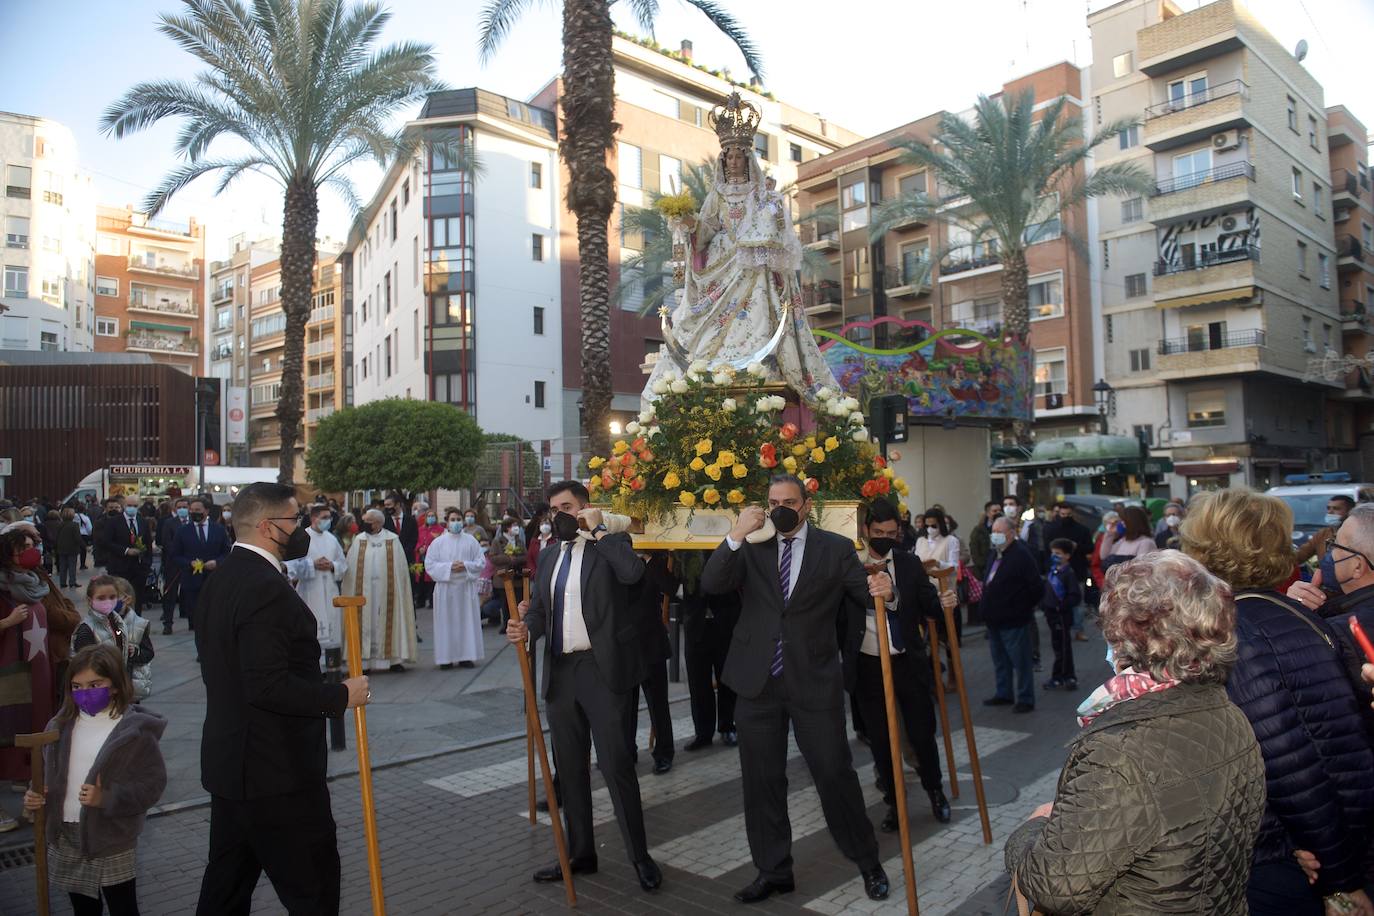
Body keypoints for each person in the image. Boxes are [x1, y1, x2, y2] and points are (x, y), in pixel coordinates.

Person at [1005, 551, 1265, 914]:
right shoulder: (1228, 711)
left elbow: (1055, 886)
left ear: (1127, 631)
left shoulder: (1119, 752)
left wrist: (1032, 830)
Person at [1182, 488, 1374, 916]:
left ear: (1204, 547)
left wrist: (1339, 881)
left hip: (1284, 859)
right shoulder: (1287, 611)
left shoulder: (1240, 636)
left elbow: (1295, 767)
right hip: (1318, 846)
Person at [700, 475, 891, 904]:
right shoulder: (752, 545)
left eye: (789, 501)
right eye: (773, 502)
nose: (780, 508)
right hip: (757, 682)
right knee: (762, 781)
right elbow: (711, 584)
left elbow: (866, 593)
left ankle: (867, 861)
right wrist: (735, 534)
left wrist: (887, 589)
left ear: (806, 504)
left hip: (813, 681)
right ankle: (773, 870)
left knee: (833, 773)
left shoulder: (835, 548)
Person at [194, 482, 371, 916]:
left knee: (224, 895)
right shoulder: (263, 587)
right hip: (278, 774)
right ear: (268, 526)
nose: (304, 528)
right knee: (313, 892)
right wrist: (339, 696)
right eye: (296, 520)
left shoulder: (221, 581)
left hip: (233, 767)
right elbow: (266, 684)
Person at [504, 481, 663, 893]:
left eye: (568, 507)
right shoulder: (550, 556)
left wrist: (598, 531)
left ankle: (640, 857)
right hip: (561, 672)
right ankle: (580, 853)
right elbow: (540, 610)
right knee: (570, 771)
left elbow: (633, 574)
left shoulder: (610, 545)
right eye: (554, 508)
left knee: (616, 767)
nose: (559, 515)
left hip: (603, 670)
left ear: (586, 508)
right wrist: (526, 629)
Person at [642, 92, 840, 402]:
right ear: (723, 160)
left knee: (761, 302)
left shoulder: (764, 197)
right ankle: (714, 363)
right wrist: (689, 223)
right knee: (704, 325)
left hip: (753, 270)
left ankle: (759, 364)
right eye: (729, 156)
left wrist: (768, 222)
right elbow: (706, 231)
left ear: (748, 159)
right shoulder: (717, 197)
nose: (734, 161)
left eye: (739, 155)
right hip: (720, 271)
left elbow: (777, 235)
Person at [23, 643, 167, 916]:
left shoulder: (134, 732)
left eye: (94, 684)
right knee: (84, 909)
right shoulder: (58, 727)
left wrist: (108, 798)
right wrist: (36, 795)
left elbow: (152, 785)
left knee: (123, 907)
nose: (85, 693)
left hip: (111, 835)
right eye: (77, 687)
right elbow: (47, 772)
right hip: (66, 834)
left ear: (114, 685)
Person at [851, 498, 952, 831]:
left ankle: (935, 790)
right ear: (866, 530)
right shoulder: (849, 565)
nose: (884, 537)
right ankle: (895, 804)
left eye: (892, 533)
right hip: (868, 667)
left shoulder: (909, 564)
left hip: (907, 661)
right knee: (882, 741)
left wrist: (946, 603)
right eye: (878, 531)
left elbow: (930, 607)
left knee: (922, 734)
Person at [0, 527, 59, 801]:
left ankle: (37, 769)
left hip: (40, 667)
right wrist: (7, 623)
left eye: (30, 545)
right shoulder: (2, 588)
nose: (28, 552)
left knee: (39, 715)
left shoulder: (36, 583)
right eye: (21, 547)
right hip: (11, 669)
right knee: (14, 721)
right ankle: (16, 772)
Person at [341, 508, 418, 672]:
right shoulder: (359, 540)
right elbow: (350, 567)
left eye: (368, 521)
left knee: (390, 619)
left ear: (377, 523)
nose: (364, 524)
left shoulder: (392, 540)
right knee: (366, 622)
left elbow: (401, 571)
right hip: (363, 591)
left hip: (387, 591)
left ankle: (393, 660)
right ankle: (364, 662)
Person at [679, 553, 740, 751]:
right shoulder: (683, 546)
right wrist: (679, 590)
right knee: (698, 684)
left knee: (727, 680)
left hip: (724, 621)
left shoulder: (726, 541)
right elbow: (668, 574)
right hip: (696, 624)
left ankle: (727, 727)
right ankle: (703, 733)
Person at [980, 516, 1042, 712]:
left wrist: (1022, 607)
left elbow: (1036, 587)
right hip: (994, 618)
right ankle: (1004, 693)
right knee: (1000, 660)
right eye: (994, 532)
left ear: (1011, 533)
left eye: (1000, 532)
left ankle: (1025, 698)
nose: (996, 536)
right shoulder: (995, 554)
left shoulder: (1021, 555)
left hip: (1014, 619)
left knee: (1020, 661)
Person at [629, 553, 677, 774]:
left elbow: (671, 586)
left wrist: (649, 557)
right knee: (625, 707)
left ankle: (664, 752)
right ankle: (627, 751)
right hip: (625, 647)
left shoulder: (656, 560)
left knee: (658, 705)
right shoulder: (615, 555)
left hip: (652, 646)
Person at [72, 576, 154, 702]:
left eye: (112, 597)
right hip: (98, 694)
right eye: (101, 598)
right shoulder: (86, 629)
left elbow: (121, 643)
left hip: (118, 690)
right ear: (90, 600)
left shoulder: (117, 623)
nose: (108, 602)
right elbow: (86, 666)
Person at [423, 508, 486, 669]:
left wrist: (465, 565)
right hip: (446, 588)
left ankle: (466, 656)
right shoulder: (438, 543)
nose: (456, 522)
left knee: (466, 622)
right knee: (446, 623)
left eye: (459, 519)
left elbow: (481, 562)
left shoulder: (471, 541)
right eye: (453, 519)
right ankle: (446, 658)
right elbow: (429, 564)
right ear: (447, 521)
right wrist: (450, 567)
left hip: (465, 587)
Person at [284, 505, 348, 656]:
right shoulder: (301, 537)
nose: (328, 521)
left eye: (329, 517)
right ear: (314, 518)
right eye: (324, 517)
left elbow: (343, 563)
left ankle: (332, 665)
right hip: (310, 590)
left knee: (331, 625)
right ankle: (316, 666)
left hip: (330, 590)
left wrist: (332, 565)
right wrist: (313, 564)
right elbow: (291, 566)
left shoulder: (332, 539)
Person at [167, 497, 230, 635]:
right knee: (196, 617)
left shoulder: (218, 529)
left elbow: (227, 552)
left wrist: (217, 562)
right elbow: (175, 555)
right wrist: (189, 563)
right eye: (192, 510)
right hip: (192, 579)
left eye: (198, 510)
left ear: (206, 511)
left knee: (213, 615)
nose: (194, 512)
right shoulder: (183, 531)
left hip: (213, 579)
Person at [1042, 501, 1092, 641]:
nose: (1065, 517)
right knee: (1055, 600)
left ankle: (1078, 630)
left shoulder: (1082, 530)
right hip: (1056, 571)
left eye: (1068, 514)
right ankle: (1060, 627)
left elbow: (1090, 548)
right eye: (1062, 514)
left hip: (1077, 571)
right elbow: (1046, 550)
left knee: (1078, 603)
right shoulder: (1051, 529)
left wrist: (1077, 547)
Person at [99, 497, 153, 613]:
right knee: (120, 598)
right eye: (129, 505)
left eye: (134, 506)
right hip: (119, 567)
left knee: (137, 599)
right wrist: (125, 550)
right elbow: (106, 542)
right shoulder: (113, 522)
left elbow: (148, 543)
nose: (131, 508)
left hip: (139, 568)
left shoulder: (142, 521)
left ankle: (136, 623)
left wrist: (147, 563)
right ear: (123, 505)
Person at [1040, 539, 1081, 690]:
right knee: (1057, 647)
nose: (1054, 555)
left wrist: (1061, 606)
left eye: (1058, 553)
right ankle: (1060, 676)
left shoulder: (1068, 574)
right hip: (1052, 615)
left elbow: (1074, 596)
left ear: (1067, 556)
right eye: (1053, 552)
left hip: (1062, 616)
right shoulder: (1053, 570)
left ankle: (1067, 676)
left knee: (1063, 647)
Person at [1296, 494, 1354, 591]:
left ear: (1349, 512)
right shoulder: (1323, 534)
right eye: (1328, 508)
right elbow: (1299, 556)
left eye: (1336, 508)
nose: (1330, 512)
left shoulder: (1357, 534)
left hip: (1352, 589)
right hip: (1327, 591)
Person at [1099, 505, 1158, 576]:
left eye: (1123, 521)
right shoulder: (1123, 541)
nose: (1120, 524)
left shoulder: (1146, 542)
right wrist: (1110, 534)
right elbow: (1104, 556)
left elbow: (1142, 569)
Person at [158, 498, 190, 626]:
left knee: (189, 592)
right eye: (180, 507)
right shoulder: (169, 523)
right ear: (175, 509)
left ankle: (191, 619)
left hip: (191, 563)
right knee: (170, 593)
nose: (183, 509)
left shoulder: (193, 522)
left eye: (185, 507)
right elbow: (167, 542)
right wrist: (180, 555)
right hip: (173, 563)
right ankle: (168, 621)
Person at [413, 508, 445, 611]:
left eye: (433, 516)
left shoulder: (440, 530)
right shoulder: (420, 529)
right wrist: (419, 548)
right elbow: (416, 541)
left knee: (431, 581)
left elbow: (439, 543)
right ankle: (420, 601)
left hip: (433, 558)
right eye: (429, 516)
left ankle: (432, 601)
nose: (430, 518)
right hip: (420, 558)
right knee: (420, 579)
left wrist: (427, 548)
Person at [55, 507, 84, 589]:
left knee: (62, 566)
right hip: (72, 548)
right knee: (72, 565)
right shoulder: (74, 525)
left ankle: (62, 582)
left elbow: (56, 537)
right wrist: (83, 545)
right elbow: (77, 538)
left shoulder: (59, 524)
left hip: (61, 548)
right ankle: (72, 581)